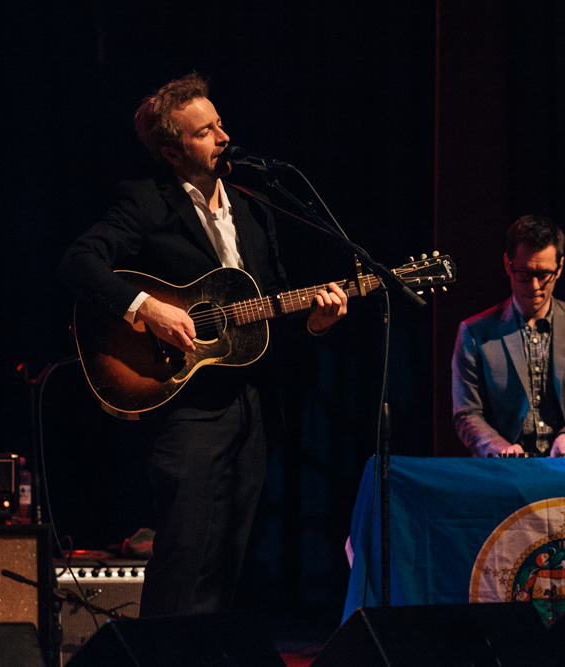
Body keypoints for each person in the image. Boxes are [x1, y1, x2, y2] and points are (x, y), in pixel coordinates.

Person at [58, 73, 348, 616]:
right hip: (185, 403)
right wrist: (149, 309)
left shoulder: (255, 206)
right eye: (205, 131)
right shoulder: (146, 202)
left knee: (228, 557)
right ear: (171, 150)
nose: (223, 137)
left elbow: (275, 301)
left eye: (219, 124)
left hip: (251, 402)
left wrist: (317, 324)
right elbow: (78, 263)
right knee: (184, 551)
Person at [451, 214, 565, 458]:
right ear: (508, 265)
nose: (535, 287)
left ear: (560, 268)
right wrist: (498, 446)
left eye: (544, 275)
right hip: (504, 470)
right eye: (524, 274)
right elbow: (466, 413)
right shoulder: (474, 332)